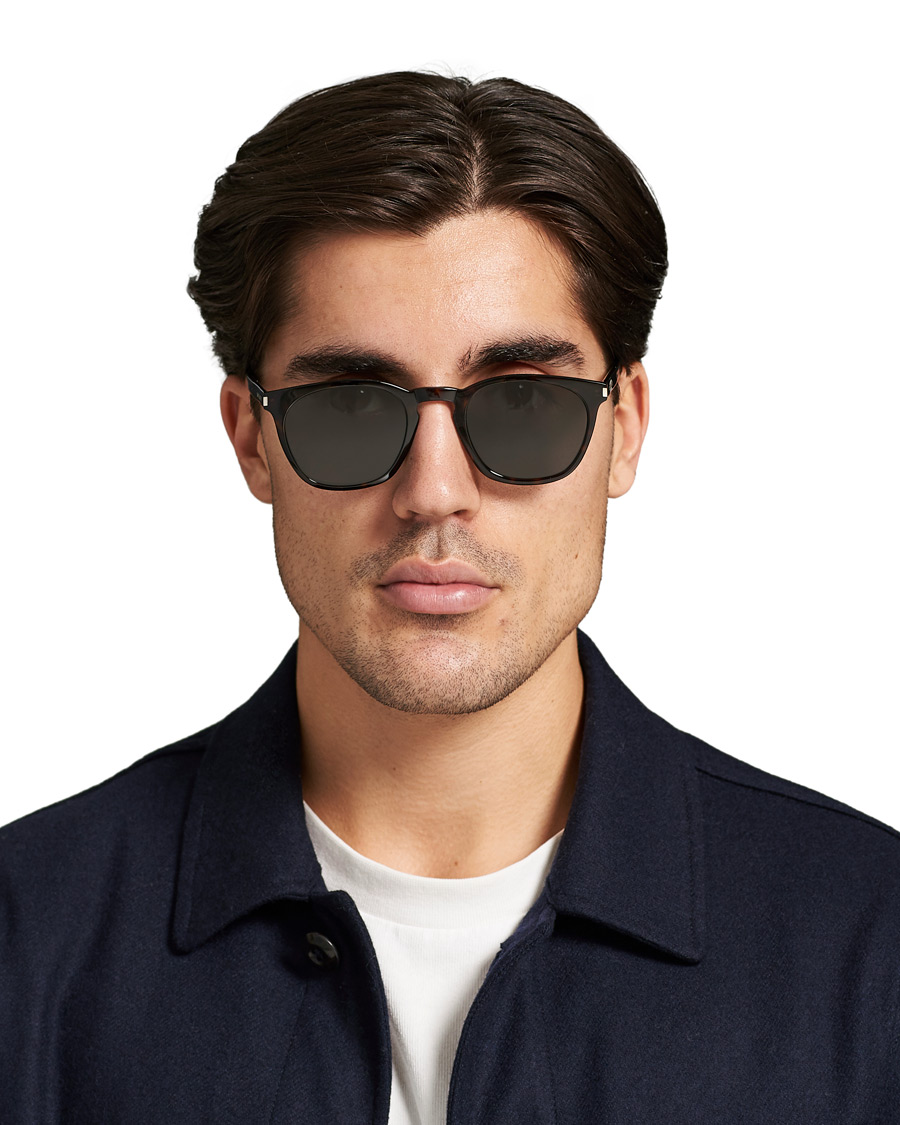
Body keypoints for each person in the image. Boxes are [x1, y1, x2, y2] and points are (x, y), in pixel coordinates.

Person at [1, 70, 897, 1125]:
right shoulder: (28, 938)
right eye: (350, 406)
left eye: (521, 405)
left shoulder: (869, 943)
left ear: (625, 428)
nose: (434, 491)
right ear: (250, 438)